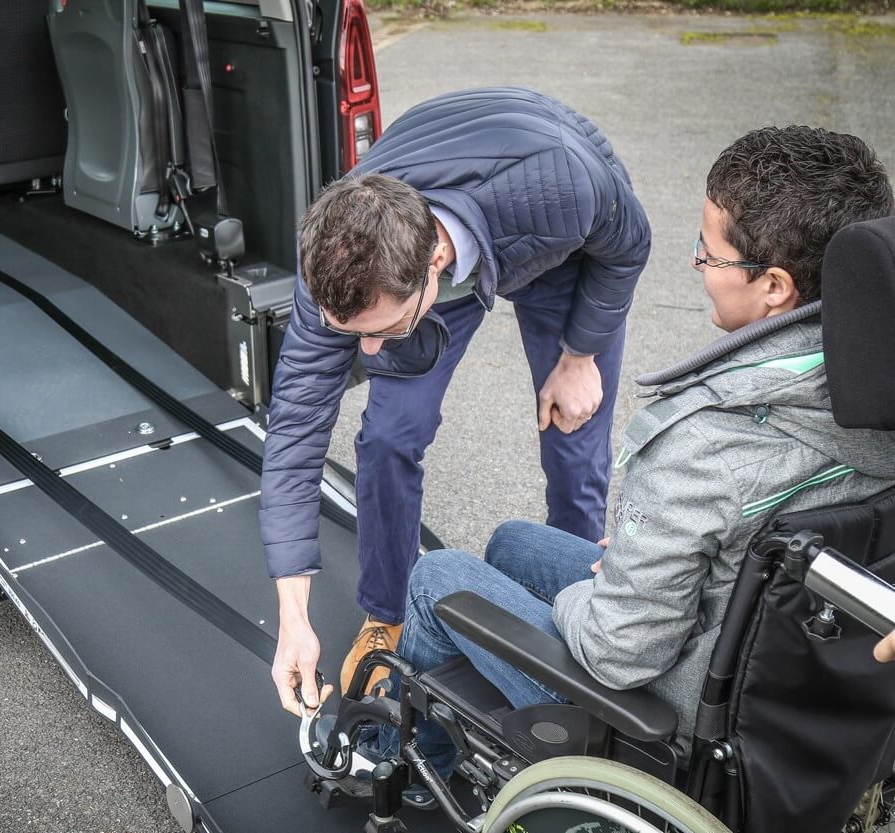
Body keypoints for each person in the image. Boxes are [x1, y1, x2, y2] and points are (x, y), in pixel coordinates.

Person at [361, 125, 895, 777]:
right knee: (512, 544)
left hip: (665, 723)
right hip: (769, 666)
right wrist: (655, 559)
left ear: (776, 287)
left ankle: (396, 771)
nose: (697, 264)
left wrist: (608, 589)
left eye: (709, 251)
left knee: (435, 577)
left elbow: (619, 653)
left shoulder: (707, 442)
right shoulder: (872, 393)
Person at [262, 87, 652, 713]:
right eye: (351, 334)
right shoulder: (334, 261)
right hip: (449, 233)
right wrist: (292, 616)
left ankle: (573, 629)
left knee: (573, 440)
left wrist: (580, 355)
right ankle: (386, 613)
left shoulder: (565, 187)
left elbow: (628, 244)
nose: (365, 356)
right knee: (389, 433)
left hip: (557, 241)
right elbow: (294, 433)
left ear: (435, 264)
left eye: (380, 332)